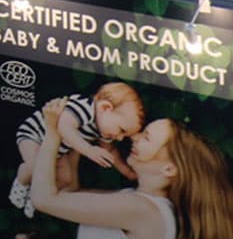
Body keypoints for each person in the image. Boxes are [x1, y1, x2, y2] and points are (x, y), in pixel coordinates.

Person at [27, 109, 233, 239]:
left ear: (169, 168)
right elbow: (67, 196)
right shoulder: (142, 204)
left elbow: (44, 199)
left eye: (146, 137)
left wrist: (54, 132)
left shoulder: (140, 209)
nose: (135, 137)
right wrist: (76, 139)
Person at [10, 81, 145, 214]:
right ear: (105, 108)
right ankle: (22, 182)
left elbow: (109, 151)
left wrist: (126, 171)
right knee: (35, 166)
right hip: (35, 135)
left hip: (59, 149)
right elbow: (64, 126)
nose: (120, 138)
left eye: (125, 135)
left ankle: (35, 194)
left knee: (65, 179)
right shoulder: (84, 107)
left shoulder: (104, 129)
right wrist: (88, 150)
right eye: (121, 130)